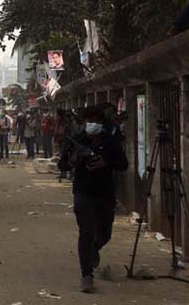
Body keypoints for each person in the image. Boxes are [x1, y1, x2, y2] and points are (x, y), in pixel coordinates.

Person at [63, 107, 128, 293]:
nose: (93, 124)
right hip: (83, 192)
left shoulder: (111, 141)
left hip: (105, 193)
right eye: (89, 120)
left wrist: (105, 163)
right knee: (86, 232)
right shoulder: (76, 140)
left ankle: (94, 250)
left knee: (105, 233)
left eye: (97, 121)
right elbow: (63, 164)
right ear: (84, 122)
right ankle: (86, 275)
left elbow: (124, 164)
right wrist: (74, 161)